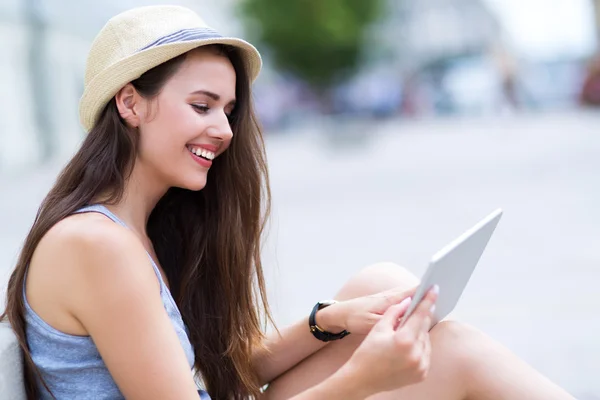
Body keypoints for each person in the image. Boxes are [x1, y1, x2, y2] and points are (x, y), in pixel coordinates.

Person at [1, 5, 575, 400]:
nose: (224, 131)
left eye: (227, 111)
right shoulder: (96, 246)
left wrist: (330, 321)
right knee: (455, 354)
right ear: (130, 103)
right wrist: (360, 379)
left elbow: (208, 369)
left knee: (380, 287)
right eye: (202, 105)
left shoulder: (141, 230)